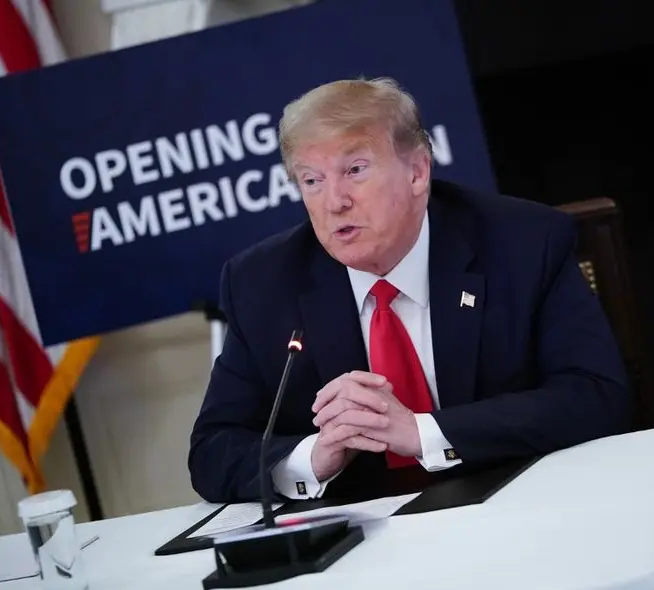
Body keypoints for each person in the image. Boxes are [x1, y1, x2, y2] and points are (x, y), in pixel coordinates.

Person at [188, 77, 630, 503]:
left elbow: (595, 395)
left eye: (355, 170)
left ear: (417, 172)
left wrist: (422, 433)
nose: (333, 201)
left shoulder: (524, 243)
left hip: (523, 504)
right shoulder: (261, 284)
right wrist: (311, 459)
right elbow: (212, 451)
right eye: (312, 180)